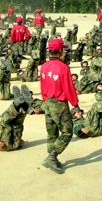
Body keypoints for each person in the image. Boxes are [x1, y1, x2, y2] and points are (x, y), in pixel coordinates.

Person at [40, 38, 81, 174]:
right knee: (67, 132)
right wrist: (75, 104)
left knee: (51, 132)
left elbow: (42, 86)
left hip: (47, 102)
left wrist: (45, 100)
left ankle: (51, 157)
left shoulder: (44, 66)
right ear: (61, 51)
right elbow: (69, 88)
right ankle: (52, 157)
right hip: (59, 103)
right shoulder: (63, 67)